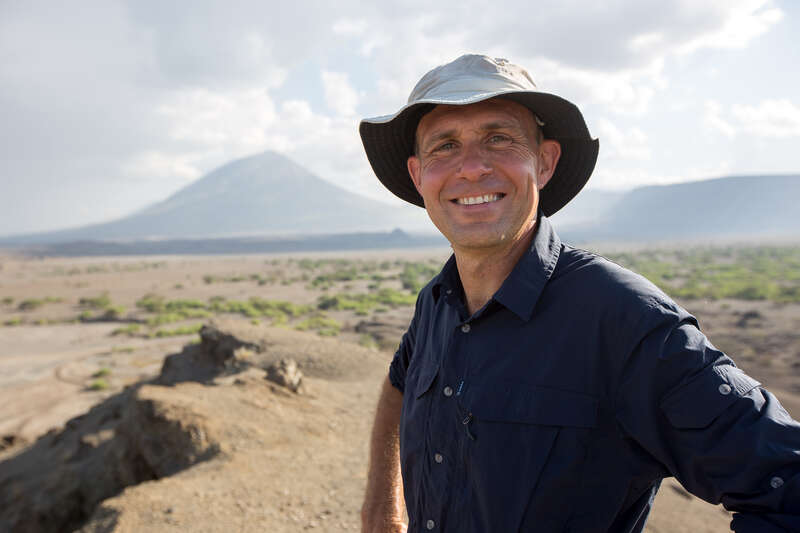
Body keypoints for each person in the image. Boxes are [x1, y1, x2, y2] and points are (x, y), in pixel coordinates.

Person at [357, 54, 800, 533]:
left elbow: (786, 485)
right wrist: (383, 503)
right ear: (418, 173)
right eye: (444, 146)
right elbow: (400, 379)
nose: (471, 167)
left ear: (544, 162)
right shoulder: (437, 302)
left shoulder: (623, 318)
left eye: (498, 138)